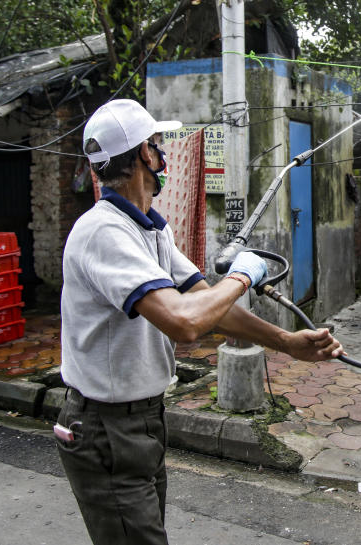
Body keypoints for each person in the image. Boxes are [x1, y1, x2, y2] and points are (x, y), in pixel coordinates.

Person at [56, 99, 343, 545]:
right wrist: (244, 275)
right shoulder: (102, 232)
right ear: (144, 157)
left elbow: (206, 304)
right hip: (105, 427)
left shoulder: (150, 229)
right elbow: (184, 323)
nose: (162, 153)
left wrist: (286, 341)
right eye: (157, 143)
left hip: (144, 420)